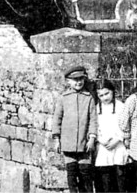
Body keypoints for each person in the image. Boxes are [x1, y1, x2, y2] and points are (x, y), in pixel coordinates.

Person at [52, 65, 97, 193]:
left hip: (85, 144)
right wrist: (57, 139)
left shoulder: (88, 98)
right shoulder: (63, 98)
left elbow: (93, 119)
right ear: (68, 81)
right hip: (68, 144)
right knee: (71, 176)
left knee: (85, 176)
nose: (78, 82)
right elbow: (57, 119)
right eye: (75, 79)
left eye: (81, 79)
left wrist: (92, 138)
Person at [94, 79, 131, 193]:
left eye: (107, 93)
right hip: (103, 146)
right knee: (105, 178)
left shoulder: (121, 106)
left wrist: (118, 139)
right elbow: (94, 126)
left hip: (118, 145)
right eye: (101, 95)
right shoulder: (96, 108)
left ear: (113, 91)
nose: (105, 97)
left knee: (120, 176)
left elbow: (126, 124)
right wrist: (101, 140)